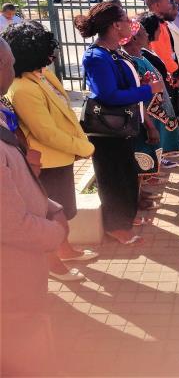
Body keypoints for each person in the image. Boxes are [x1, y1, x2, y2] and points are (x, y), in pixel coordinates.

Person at [4, 21, 97, 282]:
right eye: (46, 49)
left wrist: (77, 145)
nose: (52, 54)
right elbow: (45, 132)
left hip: (61, 157)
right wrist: (84, 147)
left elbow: (64, 113)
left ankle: (65, 251)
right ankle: (53, 263)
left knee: (64, 211)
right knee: (51, 216)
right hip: (47, 162)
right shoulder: (23, 88)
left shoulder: (42, 75)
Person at [1, 36, 67, 376]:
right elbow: (9, 224)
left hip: (21, 270)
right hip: (11, 278)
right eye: (9, 63)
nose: (13, 69)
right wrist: (55, 232)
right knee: (26, 352)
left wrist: (49, 205)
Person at [75, 2, 162, 245]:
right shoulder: (97, 56)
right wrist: (147, 90)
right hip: (106, 130)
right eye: (125, 19)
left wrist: (139, 83)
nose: (129, 23)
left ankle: (125, 220)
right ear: (115, 25)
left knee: (125, 174)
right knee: (113, 178)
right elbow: (108, 95)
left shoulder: (111, 52)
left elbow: (120, 85)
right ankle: (116, 227)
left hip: (120, 126)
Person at [137, 12, 179, 159]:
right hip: (151, 104)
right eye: (159, 28)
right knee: (153, 137)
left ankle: (159, 160)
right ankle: (154, 164)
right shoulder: (142, 54)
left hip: (158, 101)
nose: (161, 31)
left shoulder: (148, 51)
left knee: (160, 135)